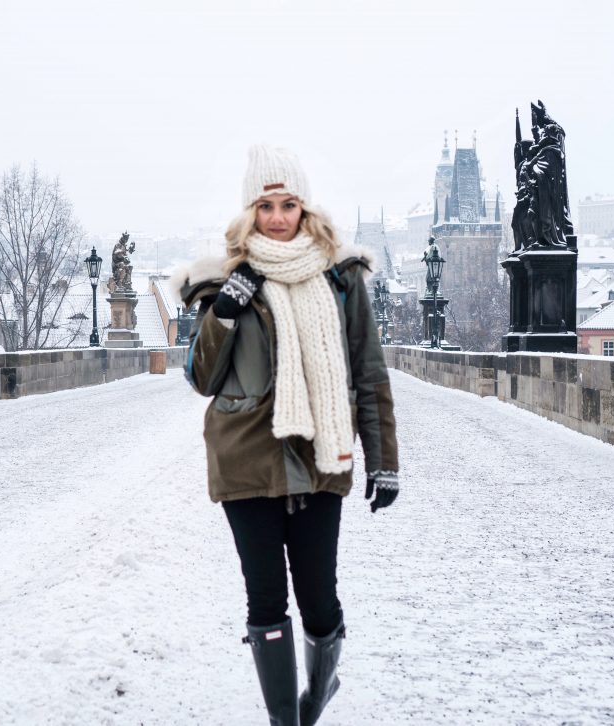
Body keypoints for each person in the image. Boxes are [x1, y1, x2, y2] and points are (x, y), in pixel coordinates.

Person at [172, 145, 399, 725]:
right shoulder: (221, 282)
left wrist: (383, 459)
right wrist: (223, 314)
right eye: (266, 205)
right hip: (247, 462)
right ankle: (285, 721)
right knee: (266, 597)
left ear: (305, 207)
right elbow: (201, 379)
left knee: (319, 600)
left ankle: (316, 697)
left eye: (289, 204)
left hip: (322, 459)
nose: (278, 217)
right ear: (250, 211)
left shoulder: (341, 279)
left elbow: (368, 371)